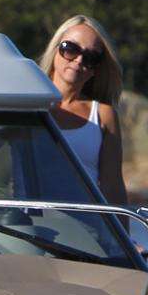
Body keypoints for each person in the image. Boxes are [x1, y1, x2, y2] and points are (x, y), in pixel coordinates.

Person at [38, 15, 127, 206]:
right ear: (55, 49)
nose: (79, 60)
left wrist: (121, 226)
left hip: (85, 222)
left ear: (97, 68)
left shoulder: (103, 114)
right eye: (70, 49)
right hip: (31, 217)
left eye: (91, 57)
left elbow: (113, 186)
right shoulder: (27, 105)